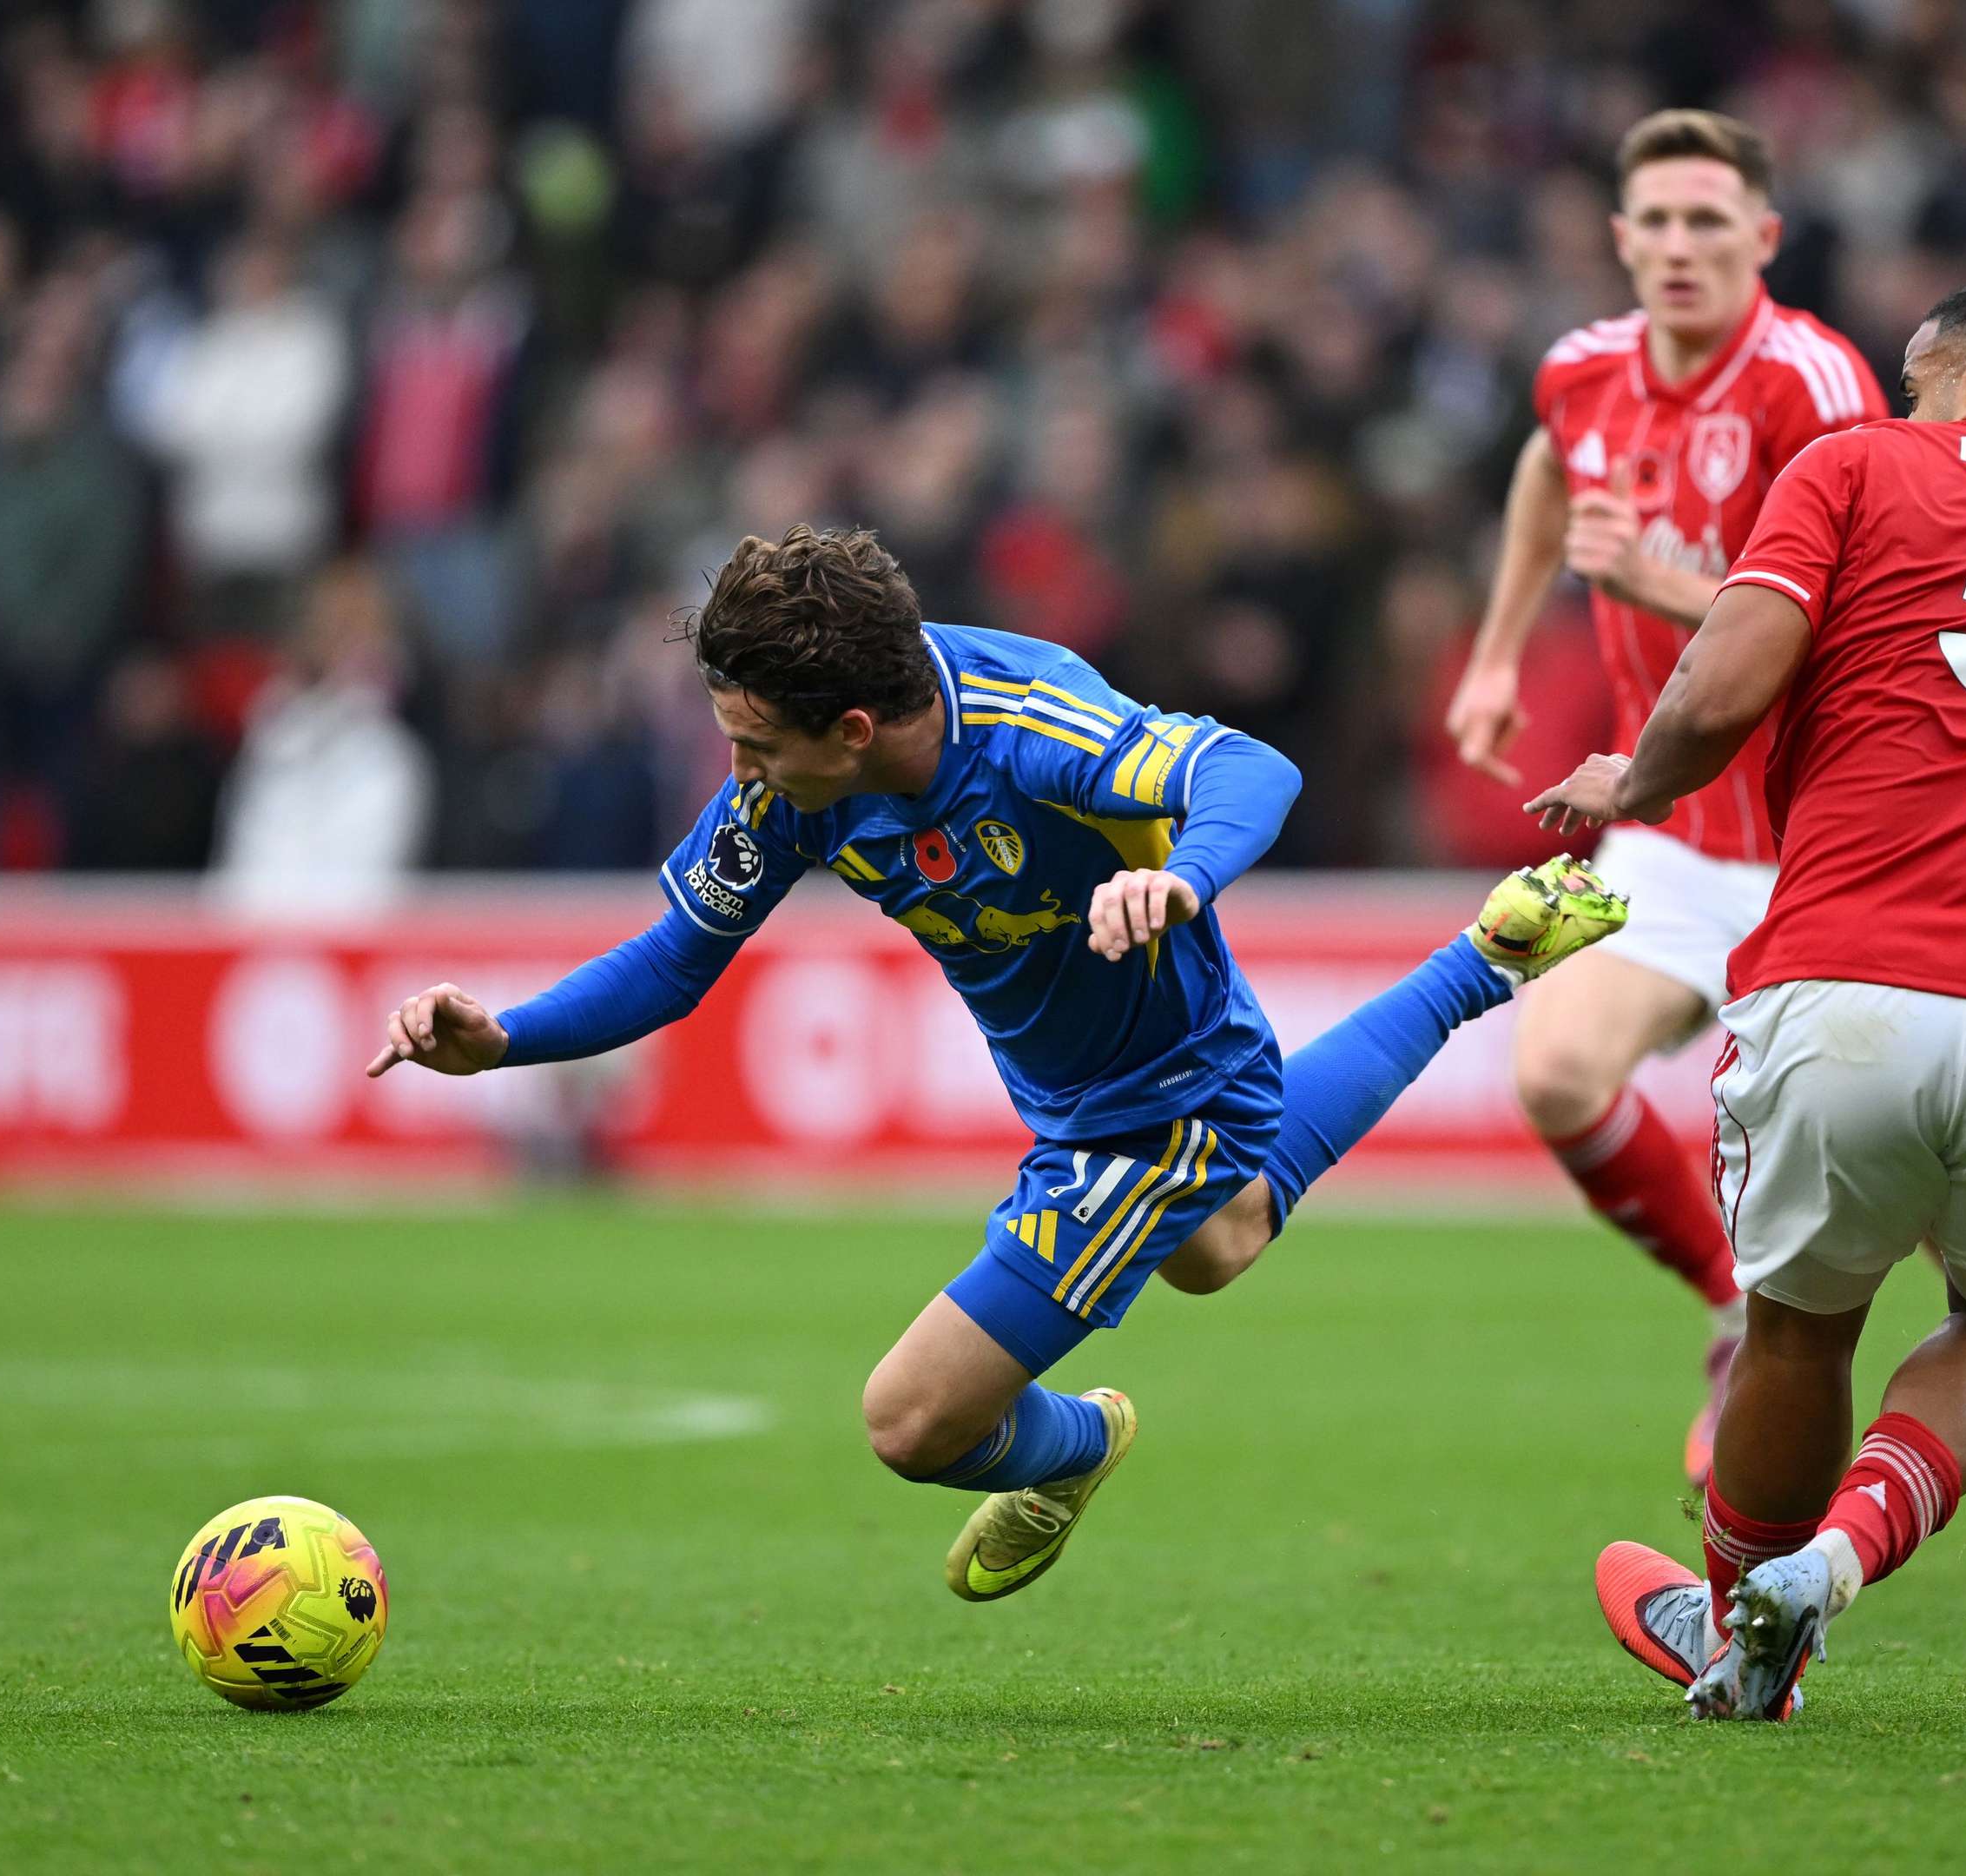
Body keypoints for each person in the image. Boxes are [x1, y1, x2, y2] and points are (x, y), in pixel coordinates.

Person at [369, 524, 1629, 1602]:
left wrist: (1182, 879)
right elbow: (675, 958)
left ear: (853, 727)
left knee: (911, 1421)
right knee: (1221, 1242)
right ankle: (1486, 958)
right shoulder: (798, 785)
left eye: (755, 748)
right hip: (1084, 1093)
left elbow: (1255, 768)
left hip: (1156, 1101)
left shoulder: (1034, 730)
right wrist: (508, 1042)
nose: (737, 776)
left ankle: (1078, 1444)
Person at [1532, 274, 1966, 1719]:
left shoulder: (1856, 464)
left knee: (1797, 1329)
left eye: (1918, 379)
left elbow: (1730, 682)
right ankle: (1840, 1563)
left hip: (1843, 985)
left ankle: (1742, 1621)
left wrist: (1635, 780)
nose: (1903, 401)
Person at [1446, 109, 1966, 1589]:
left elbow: (1865, 602)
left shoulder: (1818, 386)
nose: (1683, 246)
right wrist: (1502, 649)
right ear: (1621, 237)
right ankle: (1726, 1307)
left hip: (1827, 834)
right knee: (1561, 1073)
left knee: (1953, 1222)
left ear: (1764, 240)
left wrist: (1650, 579)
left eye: (1713, 222)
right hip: (1678, 825)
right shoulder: (1581, 368)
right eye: (1659, 221)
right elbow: (1542, 471)